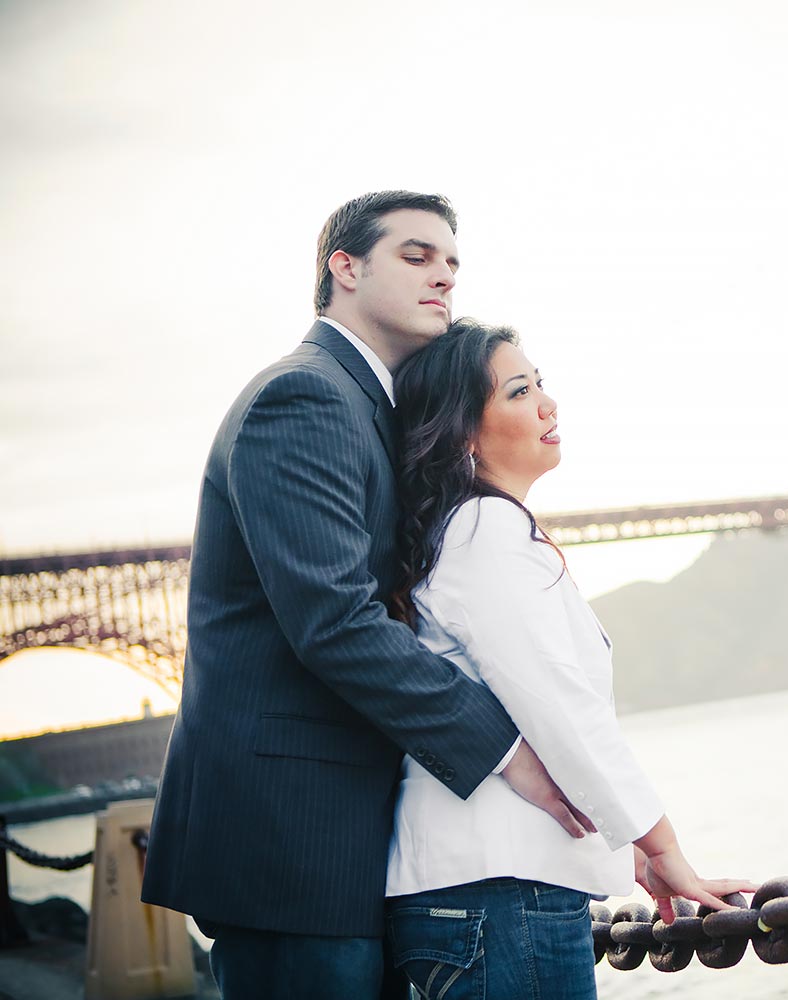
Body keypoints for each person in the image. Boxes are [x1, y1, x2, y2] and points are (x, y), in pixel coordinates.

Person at [141, 192, 586, 999]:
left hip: (344, 836)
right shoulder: (304, 398)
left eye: (452, 263)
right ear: (343, 268)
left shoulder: (367, 405)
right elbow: (336, 622)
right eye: (416, 257)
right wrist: (510, 753)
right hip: (291, 836)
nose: (443, 277)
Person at [384, 319, 755, 999]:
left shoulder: (470, 531)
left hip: (480, 892)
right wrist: (662, 847)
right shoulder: (483, 532)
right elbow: (559, 708)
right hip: (499, 894)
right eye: (520, 392)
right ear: (465, 432)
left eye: (541, 386)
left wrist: (635, 854)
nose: (548, 405)